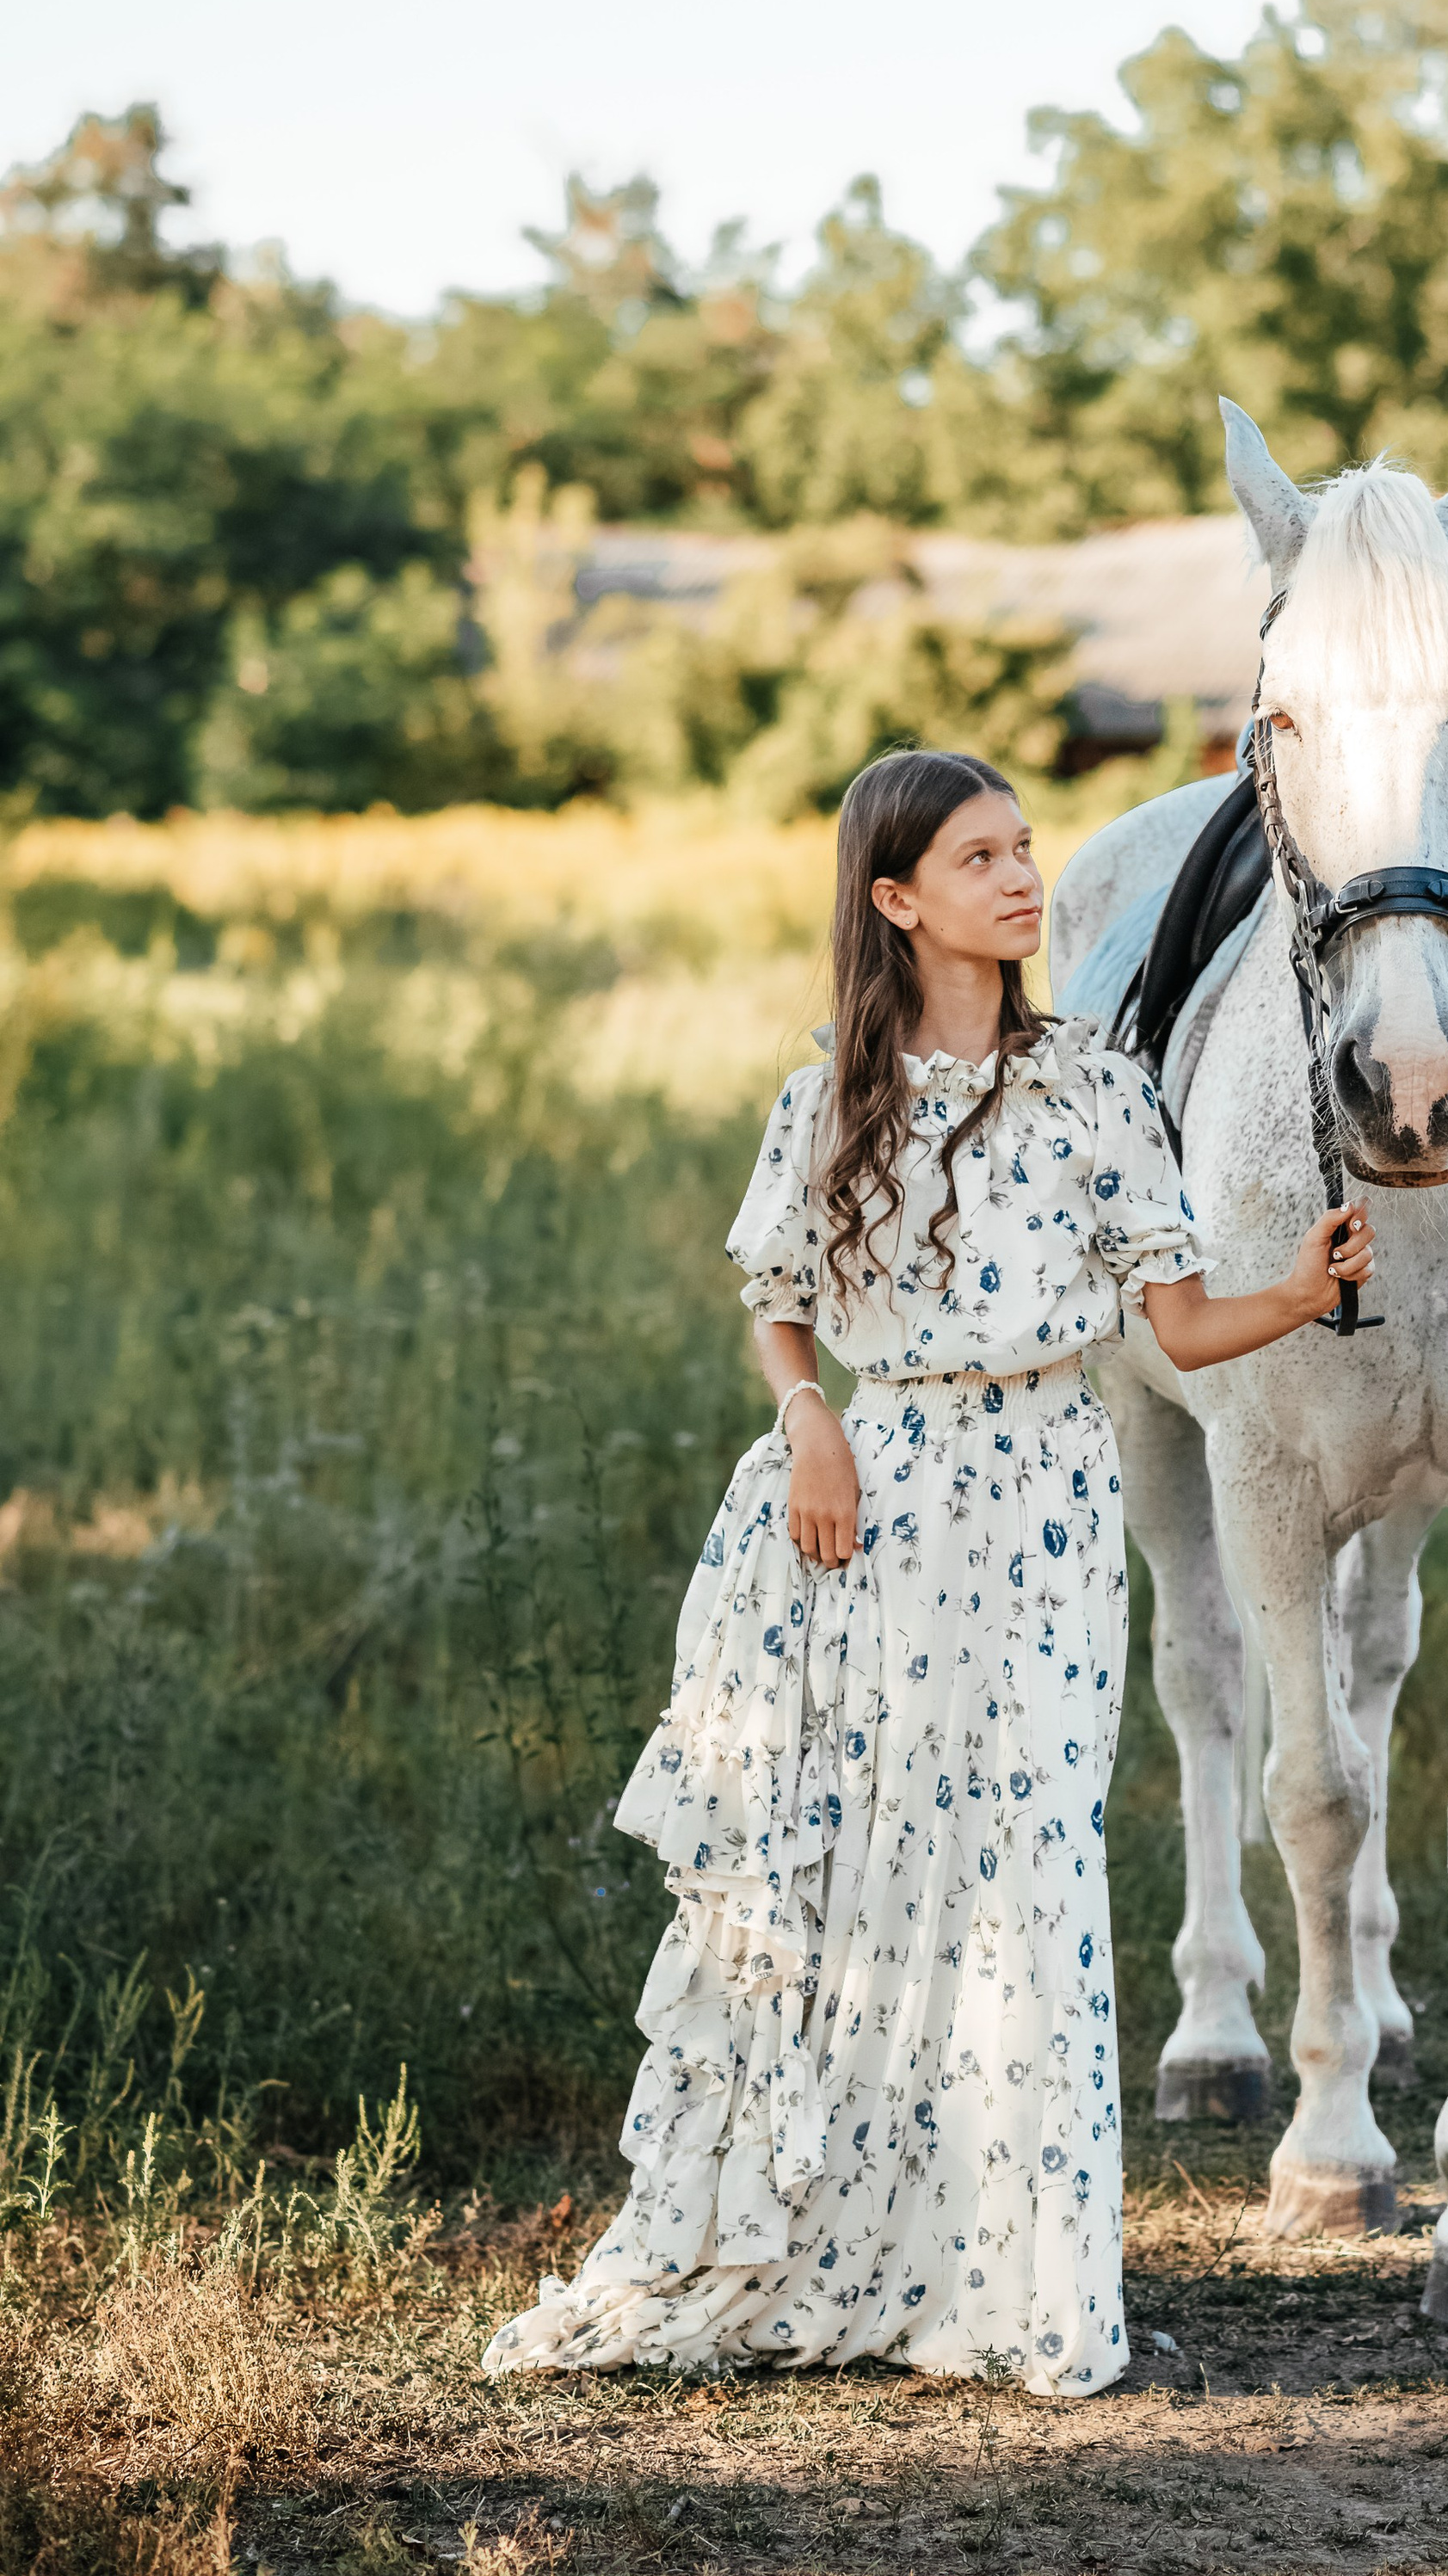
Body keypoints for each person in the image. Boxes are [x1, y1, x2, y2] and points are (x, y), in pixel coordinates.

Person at [484, 747, 1372, 2398]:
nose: (1024, 878)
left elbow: (1172, 1324)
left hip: (1044, 1502)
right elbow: (777, 1291)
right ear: (897, 899)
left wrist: (1303, 1296)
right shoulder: (829, 1091)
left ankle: (1018, 2284)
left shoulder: (1098, 1084)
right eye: (981, 858)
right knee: (872, 1859)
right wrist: (811, 1421)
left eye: (1026, 850)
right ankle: (853, 2243)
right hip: (872, 1498)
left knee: (1027, 1858)